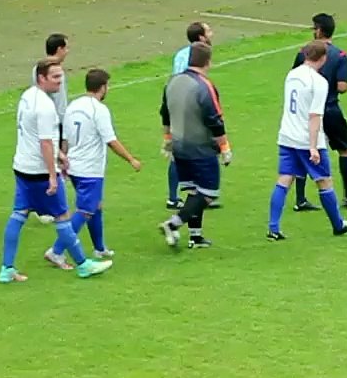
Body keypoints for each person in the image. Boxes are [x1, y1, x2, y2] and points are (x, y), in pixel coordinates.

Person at [0, 58, 113, 283]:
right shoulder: (46, 106)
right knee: (62, 217)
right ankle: (82, 265)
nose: (61, 82)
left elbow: (33, 134)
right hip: (39, 170)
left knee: (18, 215)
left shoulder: (27, 96)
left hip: (21, 165)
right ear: (42, 78)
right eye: (56, 77)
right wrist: (53, 174)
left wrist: (61, 154)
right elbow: (45, 143)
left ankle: (6, 268)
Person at [266, 41, 347, 240]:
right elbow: (314, 116)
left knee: (284, 178)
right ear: (323, 58)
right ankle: (338, 225)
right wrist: (313, 147)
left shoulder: (292, 75)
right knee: (324, 181)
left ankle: (273, 227)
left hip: (287, 136)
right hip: (306, 139)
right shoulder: (318, 82)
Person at [45, 69, 140, 266]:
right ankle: (56, 250)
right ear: (103, 87)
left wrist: (63, 159)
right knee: (85, 211)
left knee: (95, 207)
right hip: (90, 169)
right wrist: (131, 159)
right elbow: (111, 141)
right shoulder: (99, 110)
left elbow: (65, 137)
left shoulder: (73, 105)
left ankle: (99, 248)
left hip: (73, 165)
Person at [291, 14, 347, 211]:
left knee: (304, 151)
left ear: (319, 30)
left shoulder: (303, 53)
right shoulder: (340, 55)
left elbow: (294, 77)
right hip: (330, 109)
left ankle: (300, 199)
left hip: (308, 111)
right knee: (345, 149)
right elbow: (342, 86)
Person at [156, 42, 230, 250]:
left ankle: (195, 237)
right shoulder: (204, 86)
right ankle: (173, 224)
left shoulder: (172, 82)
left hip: (179, 147)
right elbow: (214, 119)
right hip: (201, 148)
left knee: (193, 192)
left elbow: (165, 112)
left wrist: (168, 138)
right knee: (208, 193)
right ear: (208, 61)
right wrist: (224, 148)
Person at [169, 22, 213, 210]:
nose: (212, 33)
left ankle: (179, 195)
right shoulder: (193, 55)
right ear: (202, 37)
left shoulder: (182, 53)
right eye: (208, 30)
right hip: (187, 108)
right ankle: (196, 194)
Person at [28, 33, 70, 224]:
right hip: (53, 122)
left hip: (48, 121)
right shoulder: (55, 72)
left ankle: (37, 204)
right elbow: (59, 103)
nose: (67, 51)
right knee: (52, 161)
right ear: (59, 49)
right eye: (66, 48)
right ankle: (47, 206)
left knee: (50, 161)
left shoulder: (39, 68)